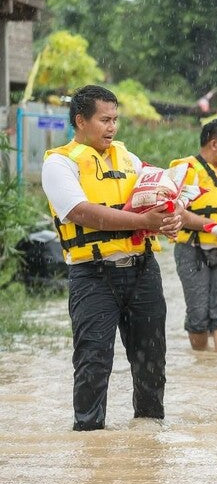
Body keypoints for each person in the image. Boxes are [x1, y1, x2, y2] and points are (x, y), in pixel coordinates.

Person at [41, 85, 182, 430]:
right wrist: (143, 222)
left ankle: (148, 439)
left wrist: (170, 217)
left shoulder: (129, 159)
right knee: (93, 361)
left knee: (152, 360)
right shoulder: (59, 163)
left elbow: (155, 199)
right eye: (105, 120)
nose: (112, 127)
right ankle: (89, 440)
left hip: (142, 270)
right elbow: (82, 212)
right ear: (80, 121)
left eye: (115, 120)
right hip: (92, 274)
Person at [170, 120, 217, 352]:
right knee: (198, 313)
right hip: (192, 249)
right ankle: (200, 363)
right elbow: (175, 212)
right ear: (214, 143)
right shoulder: (185, 170)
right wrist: (213, 225)